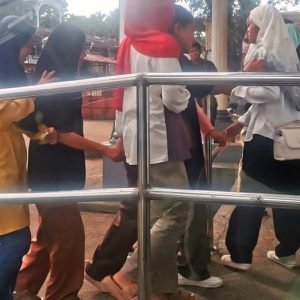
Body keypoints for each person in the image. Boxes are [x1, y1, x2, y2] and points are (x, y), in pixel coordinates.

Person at [86, 1, 199, 299]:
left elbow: (121, 98)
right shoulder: (163, 45)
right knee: (178, 211)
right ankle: (127, 272)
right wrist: (188, 95)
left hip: (138, 141)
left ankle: (160, 288)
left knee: (155, 211)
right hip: (160, 141)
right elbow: (174, 99)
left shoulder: (129, 45)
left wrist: (122, 135)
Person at [14, 23, 121, 300]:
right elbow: (62, 135)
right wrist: (105, 150)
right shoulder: (57, 82)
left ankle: (21, 289)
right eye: (80, 47)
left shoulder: (51, 77)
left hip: (50, 173)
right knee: (69, 239)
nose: (83, 54)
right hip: (53, 175)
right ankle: (63, 295)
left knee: (48, 238)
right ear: (67, 48)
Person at [221, 5, 300, 271]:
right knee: (287, 198)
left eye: (251, 25)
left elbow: (268, 94)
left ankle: (240, 256)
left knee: (251, 199)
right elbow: (277, 104)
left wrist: (240, 83)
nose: (247, 31)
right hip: (291, 141)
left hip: (265, 142)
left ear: (263, 27)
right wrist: (239, 123)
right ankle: (287, 252)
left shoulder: (263, 53)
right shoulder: (288, 56)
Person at [0, 15, 56, 300]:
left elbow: (20, 121)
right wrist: (34, 91)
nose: (28, 54)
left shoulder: (10, 81)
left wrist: (43, 134)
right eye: (26, 47)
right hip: (2, 187)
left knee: (16, 241)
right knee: (15, 242)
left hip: (11, 183)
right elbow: (6, 111)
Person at [189, 42, 218, 125]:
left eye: (196, 51)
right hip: (191, 95)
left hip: (206, 94)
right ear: (189, 53)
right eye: (191, 51)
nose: (194, 53)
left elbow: (216, 79)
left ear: (200, 51)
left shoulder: (208, 65)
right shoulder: (186, 65)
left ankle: (210, 129)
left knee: (212, 102)